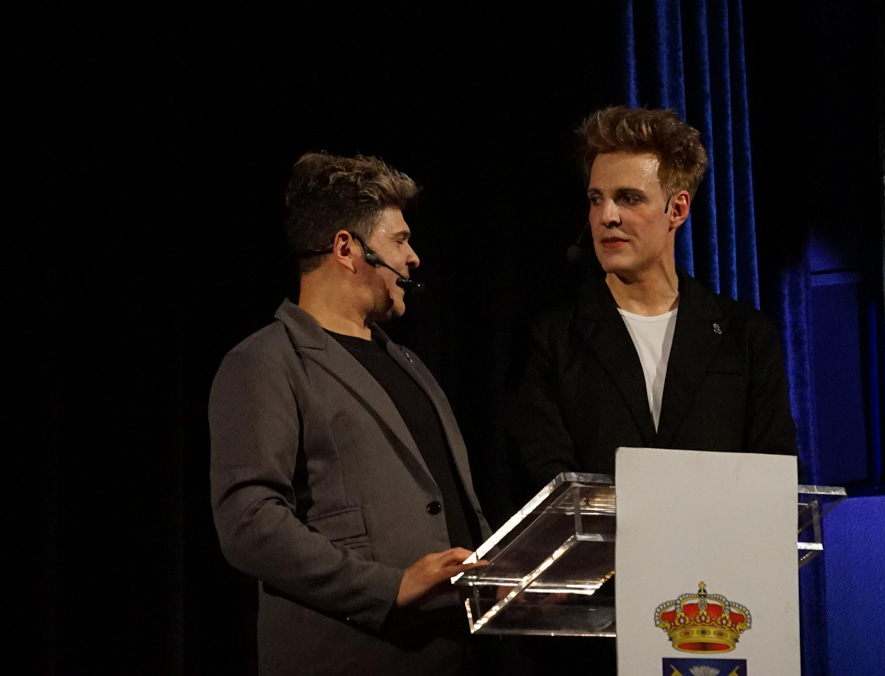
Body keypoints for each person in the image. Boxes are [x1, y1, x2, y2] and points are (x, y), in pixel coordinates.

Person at [210, 152, 491, 675]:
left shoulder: (408, 363)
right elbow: (249, 523)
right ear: (347, 248)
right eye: (400, 240)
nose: (413, 258)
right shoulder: (266, 360)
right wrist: (391, 587)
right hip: (351, 656)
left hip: (450, 654)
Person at [509, 104, 799, 490]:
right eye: (596, 199)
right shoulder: (551, 338)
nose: (607, 216)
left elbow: (774, 474)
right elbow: (549, 480)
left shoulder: (745, 335)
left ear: (676, 209)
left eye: (628, 198)